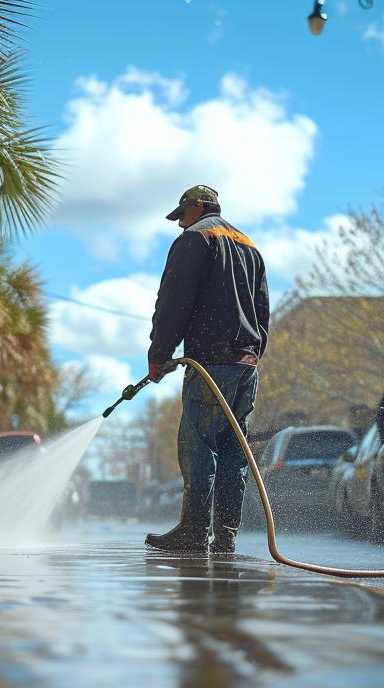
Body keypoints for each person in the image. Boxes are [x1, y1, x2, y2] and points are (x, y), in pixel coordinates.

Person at [145, 185, 269, 554]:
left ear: (198, 206)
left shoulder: (195, 240)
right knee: (233, 449)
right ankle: (225, 535)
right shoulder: (250, 246)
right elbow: (262, 310)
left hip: (210, 363)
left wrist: (159, 353)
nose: (180, 224)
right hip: (247, 365)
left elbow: (173, 300)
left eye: (181, 215)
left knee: (199, 445)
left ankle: (194, 531)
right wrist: (254, 351)